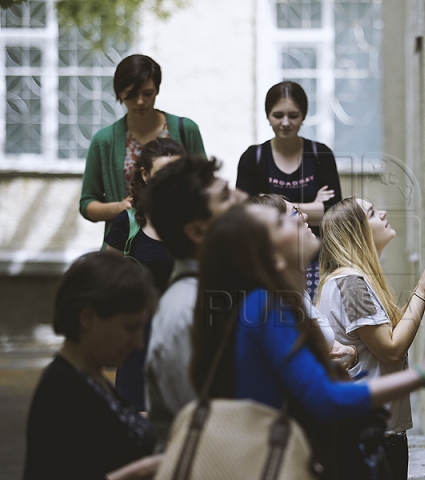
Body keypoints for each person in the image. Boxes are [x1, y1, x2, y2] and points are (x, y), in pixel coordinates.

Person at [190, 203, 425, 479]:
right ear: (273, 258)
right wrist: (423, 373)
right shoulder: (265, 306)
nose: (302, 218)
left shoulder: (277, 301)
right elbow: (323, 397)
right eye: (281, 222)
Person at [315, 197, 425, 480]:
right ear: (356, 233)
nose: (384, 212)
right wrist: (422, 290)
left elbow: (388, 332)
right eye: (373, 212)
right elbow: (391, 349)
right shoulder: (351, 283)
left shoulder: (348, 279)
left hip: (368, 430)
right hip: (370, 434)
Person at [24, 252, 161, 480]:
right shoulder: (62, 390)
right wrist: (137, 472)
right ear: (87, 318)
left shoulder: (90, 378)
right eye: (129, 328)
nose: (138, 343)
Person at [143, 155, 247, 447]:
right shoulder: (187, 313)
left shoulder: (223, 291)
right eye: (227, 197)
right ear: (198, 231)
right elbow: (212, 430)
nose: (244, 198)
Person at [79, 54, 206, 240]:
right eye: (131, 95)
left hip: (179, 243)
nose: (140, 102)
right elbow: (87, 203)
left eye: (147, 93)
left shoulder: (185, 130)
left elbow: (206, 186)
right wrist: (117, 208)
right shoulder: (104, 140)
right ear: (119, 93)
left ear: (157, 90)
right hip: (125, 248)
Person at [236, 81, 342, 299]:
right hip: (272, 260)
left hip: (318, 259)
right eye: (278, 115)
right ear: (267, 116)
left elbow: (335, 213)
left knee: (315, 319)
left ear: (303, 116)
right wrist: (313, 206)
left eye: (293, 115)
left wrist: (278, 208)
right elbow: (247, 217)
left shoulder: (320, 155)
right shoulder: (253, 158)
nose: (285, 122)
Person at [103, 137, 184, 411]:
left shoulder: (195, 223)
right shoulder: (127, 222)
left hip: (181, 339)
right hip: (136, 341)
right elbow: (105, 278)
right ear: (145, 175)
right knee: (135, 423)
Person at [246, 193, 357, 367]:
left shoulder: (295, 289)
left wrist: (350, 352)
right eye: (295, 212)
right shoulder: (274, 302)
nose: (304, 215)